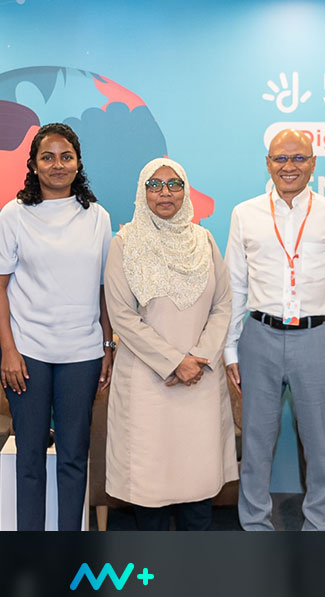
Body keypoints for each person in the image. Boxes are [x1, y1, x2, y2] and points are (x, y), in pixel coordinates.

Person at [224, 129, 325, 531]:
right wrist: (230, 348)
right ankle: (256, 527)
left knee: (320, 447)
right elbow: (235, 286)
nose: (290, 166)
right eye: (281, 158)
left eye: (299, 158)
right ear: (268, 163)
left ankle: (318, 528)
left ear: (313, 163)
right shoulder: (245, 213)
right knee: (256, 444)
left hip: (317, 339)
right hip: (259, 338)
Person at [0, 122, 113, 531]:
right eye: (48, 157)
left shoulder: (98, 217)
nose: (58, 165)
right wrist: (8, 349)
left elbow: (105, 287)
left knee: (74, 456)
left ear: (78, 163)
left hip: (82, 353)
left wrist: (108, 345)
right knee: (30, 456)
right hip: (27, 353)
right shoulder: (14, 215)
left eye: (66, 157)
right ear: (34, 165)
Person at [104, 158, 237, 530]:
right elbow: (122, 316)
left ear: (185, 190)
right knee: (151, 489)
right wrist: (175, 362)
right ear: (142, 192)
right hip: (148, 385)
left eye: (174, 184)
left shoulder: (204, 241)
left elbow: (223, 304)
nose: (165, 193)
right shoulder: (125, 243)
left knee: (198, 488)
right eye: (155, 185)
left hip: (200, 380)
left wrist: (199, 357)